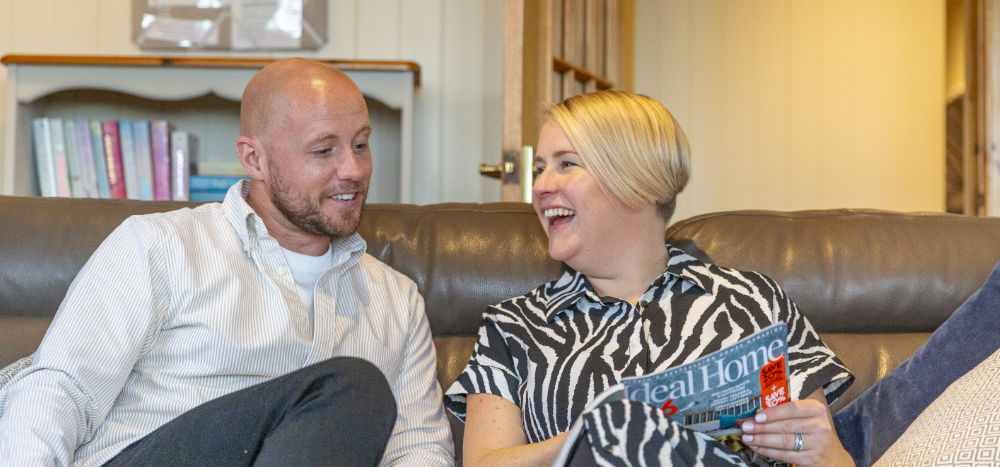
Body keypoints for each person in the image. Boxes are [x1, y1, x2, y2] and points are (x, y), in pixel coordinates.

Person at [0, 58, 454, 465]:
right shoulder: (160, 245)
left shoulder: (396, 300)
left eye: (360, 144)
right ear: (253, 158)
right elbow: (62, 388)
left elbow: (418, 449)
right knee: (353, 388)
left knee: (355, 395)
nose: (353, 170)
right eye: (324, 150)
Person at [445, 90, 855, 466]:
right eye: (539, 168)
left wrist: (828, 454)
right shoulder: (514, 325)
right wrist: (599, 435)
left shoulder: (753, 300)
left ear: (639, 183)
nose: (539, 187)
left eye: (566, 164)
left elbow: (824, 452)